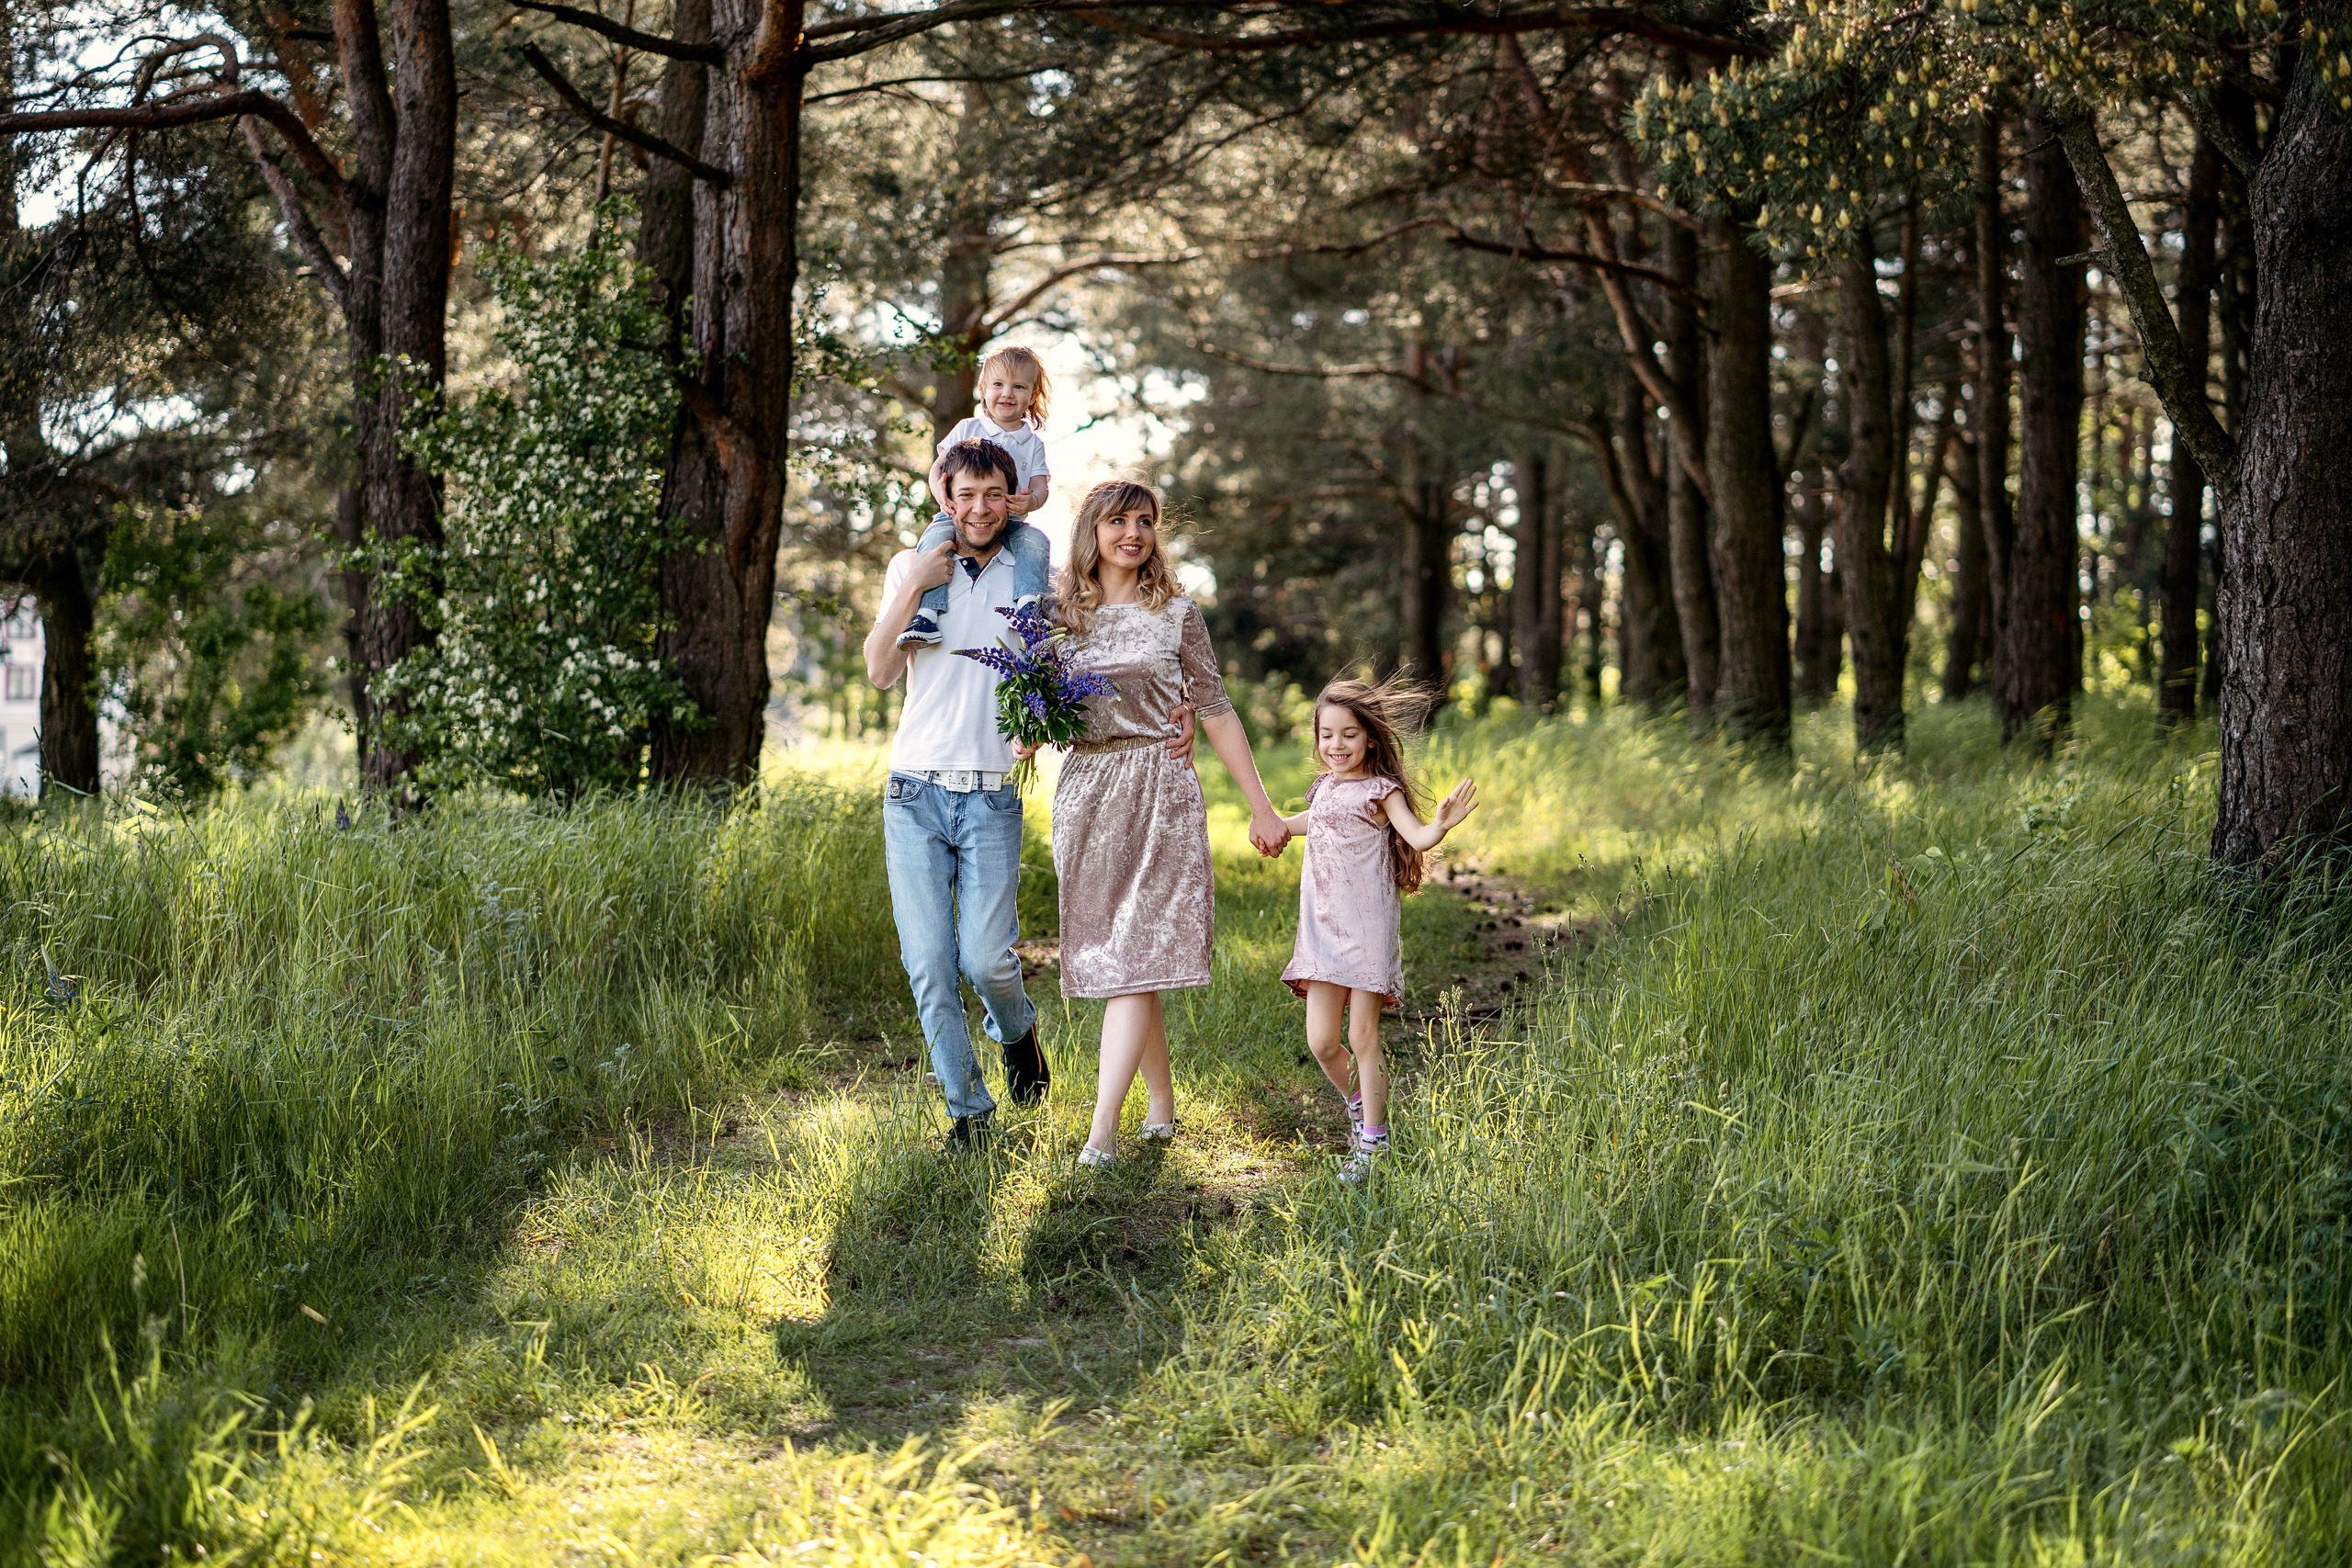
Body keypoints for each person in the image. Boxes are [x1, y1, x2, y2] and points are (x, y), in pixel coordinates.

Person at [863, 443, 1193, 1149]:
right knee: (928, 965)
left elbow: (1094, 658)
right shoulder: (913, 565)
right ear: (945, 497)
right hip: (912, 791)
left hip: (990, 797)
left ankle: (1018, 1031)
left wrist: (1179, 705)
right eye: (966, 494)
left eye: (993, 494)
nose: (979, 508)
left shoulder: (1038, 578)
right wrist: (915, 583)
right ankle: (969, 1114)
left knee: (986, 960)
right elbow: (879, 670)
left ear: (1011, 498)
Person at [1023, 479, 1286, 1169]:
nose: (1134, 532)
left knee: (1133, 960)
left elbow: (1217, 706)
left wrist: (1260, 804)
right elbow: (1032, 706)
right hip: (1087, 793)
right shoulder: (1056, 619)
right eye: (1119, 521)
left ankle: (1101, 1131)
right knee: (1124, 959)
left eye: (1146, 521)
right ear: (1093, 531)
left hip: (1160, 787)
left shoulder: (1176, 614)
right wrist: (1024, 729)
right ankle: (1162, 1103)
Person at [1274, 676, 1477, 1182]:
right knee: (1322, 1041)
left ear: (1370, 738)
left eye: (1348, 734)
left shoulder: (1381, 791)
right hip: (1321, 930)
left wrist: (1443, 824)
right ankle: (1364, 1111)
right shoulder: (1324, 788)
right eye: (1326, 735)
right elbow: (1312, 820)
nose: (1336, 745)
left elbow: (1418, 835)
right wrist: (1274, 825)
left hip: (1366, 930)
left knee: (1362, 1037)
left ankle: (1374, 1143)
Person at [898, 345, 1056, 648]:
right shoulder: (969, 428)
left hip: (1007, 520)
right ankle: (928, 614)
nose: (1007, 393)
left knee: (1035, 543)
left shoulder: (1032, 443)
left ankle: (1028, 608)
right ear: (983, 389)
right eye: (998, 385)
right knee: (934, 544)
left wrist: (1031, 501)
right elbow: (938, 468)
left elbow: (1041, 486)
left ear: (1033, 395)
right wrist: (940, 493)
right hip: (958, 516)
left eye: (1018, 387)